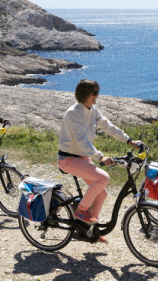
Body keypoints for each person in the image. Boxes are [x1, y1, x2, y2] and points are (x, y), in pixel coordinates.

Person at [58, 79, 142, 244]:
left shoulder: (92, 110)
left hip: (81, 157)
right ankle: (81, 210)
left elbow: (108, 126)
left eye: (97, 92)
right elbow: (82, 140)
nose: (97, 96)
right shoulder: (73, 113)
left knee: (101, 192)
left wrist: (129, 141)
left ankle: (90, 231)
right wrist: (100, 157)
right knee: (103, 178)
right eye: (94, 92)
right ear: (85, 94)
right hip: (68, 159)